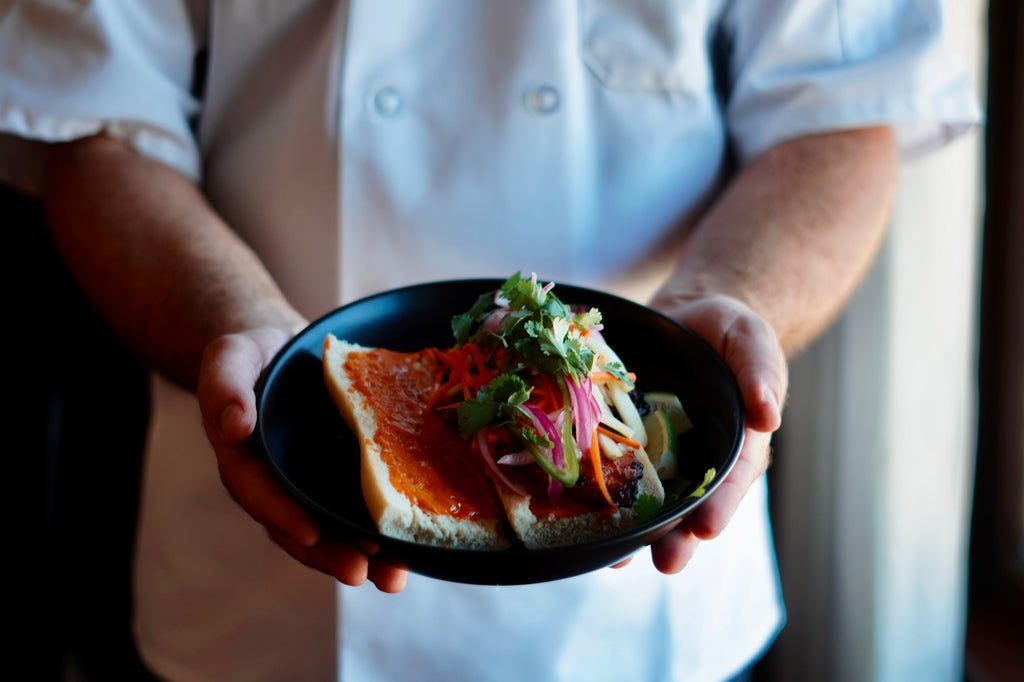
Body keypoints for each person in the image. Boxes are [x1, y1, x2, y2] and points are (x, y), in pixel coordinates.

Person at [0, 1, 979, 680]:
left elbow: (838, 109)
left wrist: (729, 298)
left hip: (640, 595)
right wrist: (232, 325)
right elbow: (96, 123)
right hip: (266, 582)